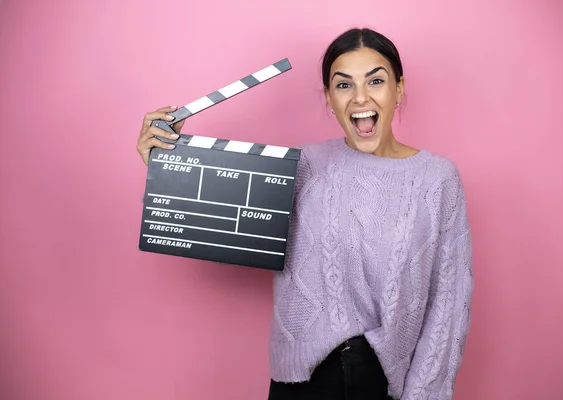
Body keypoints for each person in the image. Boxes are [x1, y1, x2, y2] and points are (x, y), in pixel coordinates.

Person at [136, 27, 474, 400]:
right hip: (300, 380)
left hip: (384, 382)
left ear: (399, 88)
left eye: (375, 81)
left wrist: (424, 395)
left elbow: (448, 305)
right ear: (329, 98)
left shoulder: (437, 179)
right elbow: (221, 226)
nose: (360, 96)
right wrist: (165, 162)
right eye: (343, 85)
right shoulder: (302, 166)